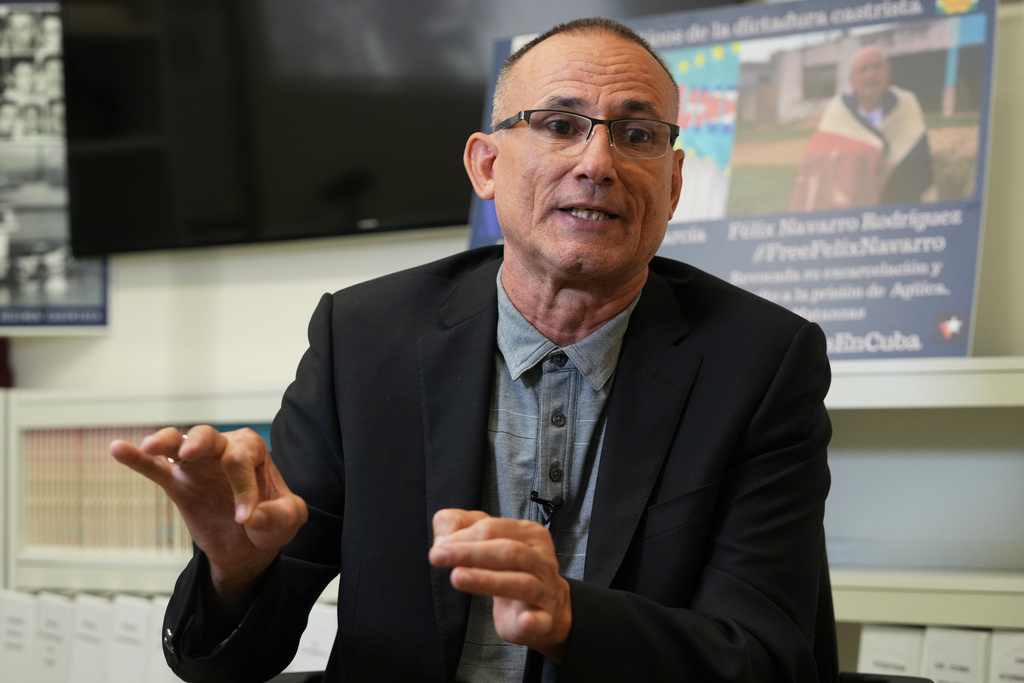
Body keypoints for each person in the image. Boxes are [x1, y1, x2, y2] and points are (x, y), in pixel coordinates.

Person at [111, 17, 833, 683]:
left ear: (674, 184)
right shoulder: (363, 338)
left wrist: (573, 617)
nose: (598, 161)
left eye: (638, 135)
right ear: (486, 166)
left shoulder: (761, 362)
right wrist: (236, 571)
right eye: (559, 124)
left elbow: (765, 657)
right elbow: (228, 662)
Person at [790, 44, 937, 212]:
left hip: (900, 208)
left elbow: (919, 157)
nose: (871, 74)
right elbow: (816, 159)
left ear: (888, 72)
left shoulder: (906, 104)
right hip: (850, 211)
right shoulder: (838, 110)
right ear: (852, 80)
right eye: (863, 69)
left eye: (877, 67)